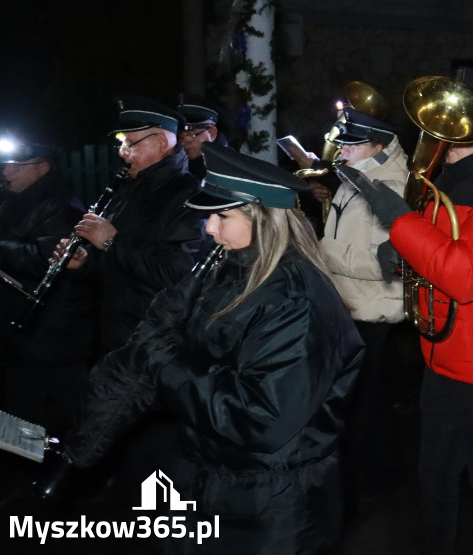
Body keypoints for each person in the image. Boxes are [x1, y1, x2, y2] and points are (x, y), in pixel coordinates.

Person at [56, 142, 365, 554]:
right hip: (218, 481)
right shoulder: (237, 269)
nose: (210, 229)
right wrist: (81, 447)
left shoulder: (295, 300)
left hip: (272, 505)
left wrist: (166, 361)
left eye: (222, 215)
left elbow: (261, 417)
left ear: (263, 217)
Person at [354, 67, 473, 555]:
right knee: (434, 477)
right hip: (447, 354)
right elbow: (438, 251)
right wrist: (401, 253)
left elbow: (465, 275)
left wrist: (398, 220)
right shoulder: (455, 181)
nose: (446, 131)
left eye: (463, 121)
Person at [61, 96, 206, 355]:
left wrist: (111, 242)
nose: (121, 152)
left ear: (162, 143)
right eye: (121, 143)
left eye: (130, 143)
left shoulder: (190, 196)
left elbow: (179, 272)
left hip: (157, 347)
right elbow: (116, 264)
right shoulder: (127, 190)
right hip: (116, 339)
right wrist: (84, 261)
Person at [318, 107, 410, 509]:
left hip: (373, 308)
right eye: (342, 144)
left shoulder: (390, 184)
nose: (342, 151)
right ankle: (386, 474)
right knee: (368, 398)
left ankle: (361, 486)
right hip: (350, 302)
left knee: (359, 401)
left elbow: (389, 262)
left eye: (351, 145)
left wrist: (323, 253)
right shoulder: (357, 174)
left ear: (378, 145)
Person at [0, 140, 94, 435]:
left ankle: (54, 475)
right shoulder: (13, 201)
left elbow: (47, 258)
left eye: (15, 166)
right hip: (21, 335)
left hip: (51, 337)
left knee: (54, 418)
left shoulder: (63, 208)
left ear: (43, 167)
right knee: (19, 414)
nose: (6, 172)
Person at [177, 93, 230, 179]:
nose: (183, 143)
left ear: (212, 133)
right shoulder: (180, 166)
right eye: (180, 136)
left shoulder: (228, 169)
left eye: (191, 134)